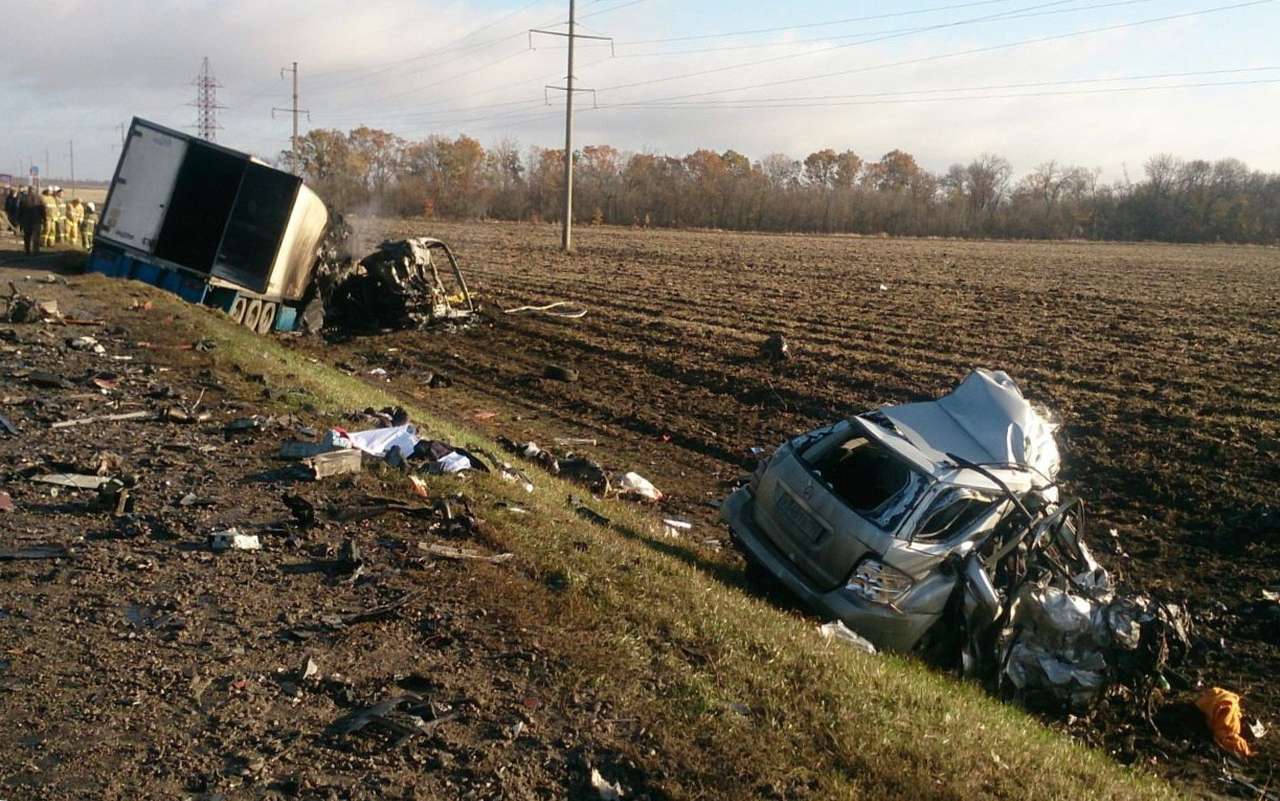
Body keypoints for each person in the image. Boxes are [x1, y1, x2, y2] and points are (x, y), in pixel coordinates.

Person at [21, 187, 47, 254]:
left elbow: (20, 210)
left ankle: (27, 250)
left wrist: (19, 220)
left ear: (28, 191)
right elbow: (43, 210)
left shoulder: (24, 198)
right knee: (36, 237)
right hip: (37, 221)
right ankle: (36, 251)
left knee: (27, 236)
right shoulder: (40, 198)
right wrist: (44, 219)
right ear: (35, 191)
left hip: (26, 221)